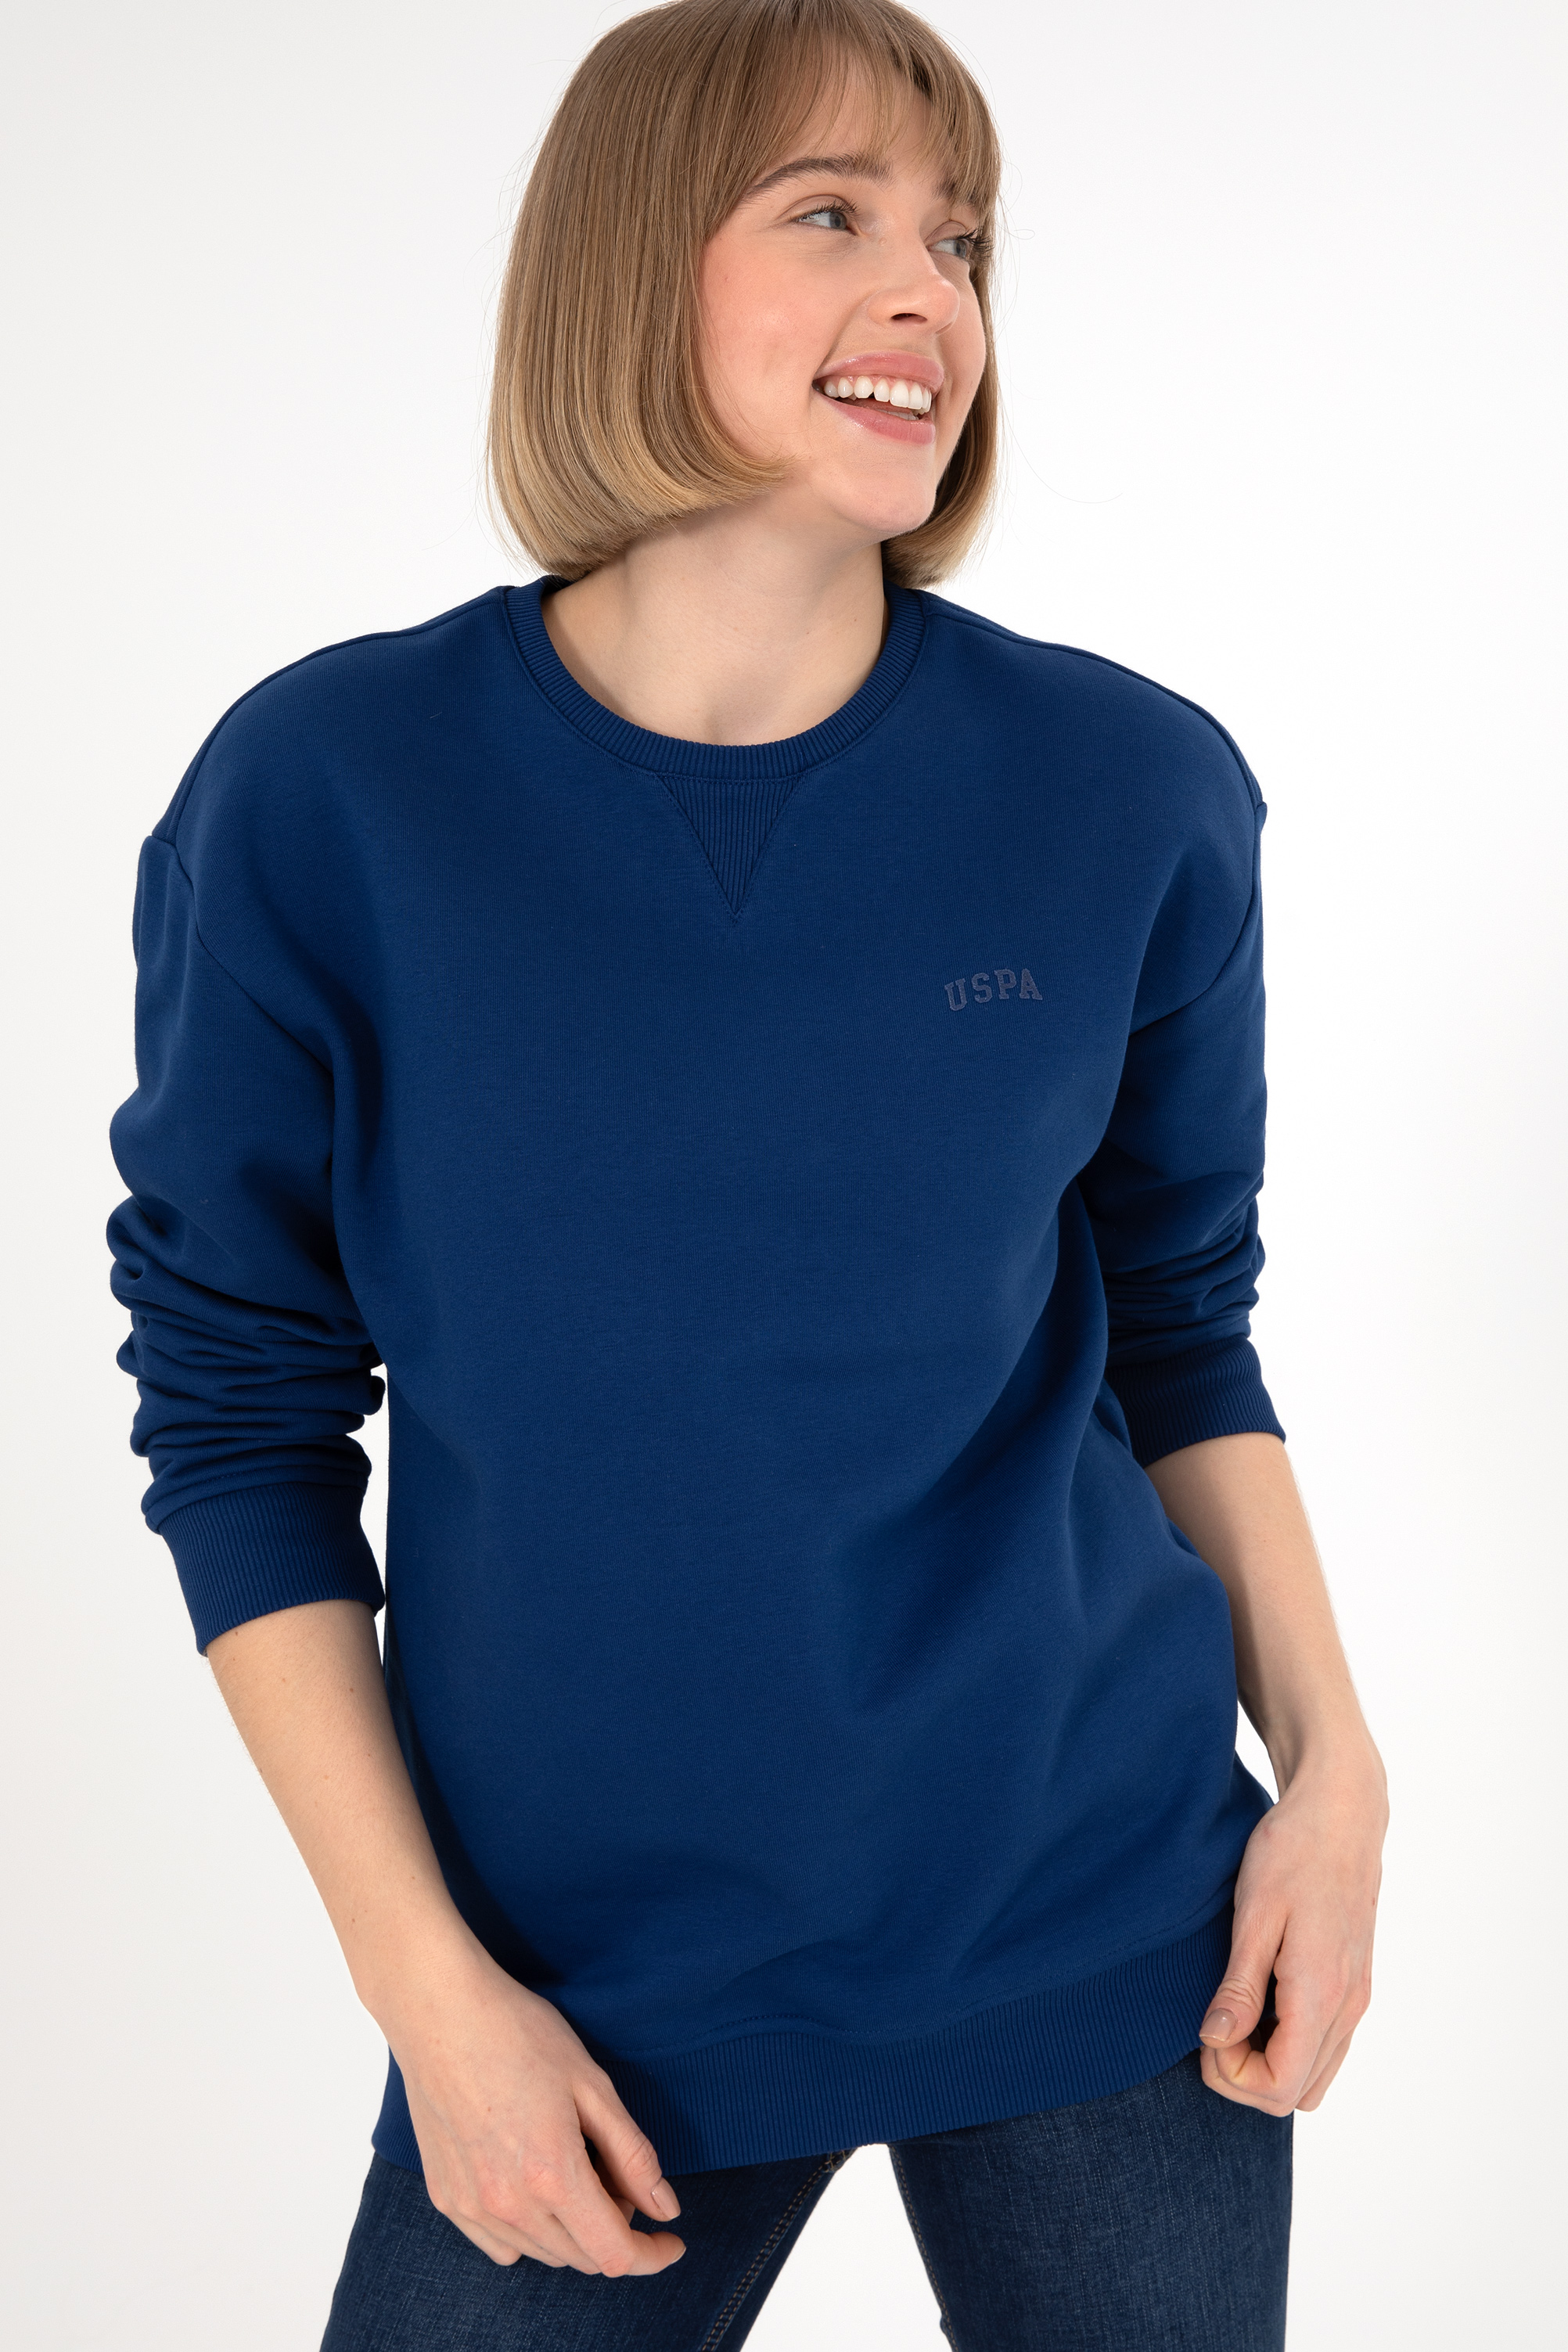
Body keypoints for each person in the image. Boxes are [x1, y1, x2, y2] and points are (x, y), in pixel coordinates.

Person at [106, 2, 1388, 2344]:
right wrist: (432, 1997)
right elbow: (240, 1426)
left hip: (1111, 1925)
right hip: (576, 1995)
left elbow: (1181, 1327)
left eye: (960, 240)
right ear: (627, 265)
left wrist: (1337, 1778)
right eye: (831, 215)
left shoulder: (1130, 790)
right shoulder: (326, 799)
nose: (929, 294)